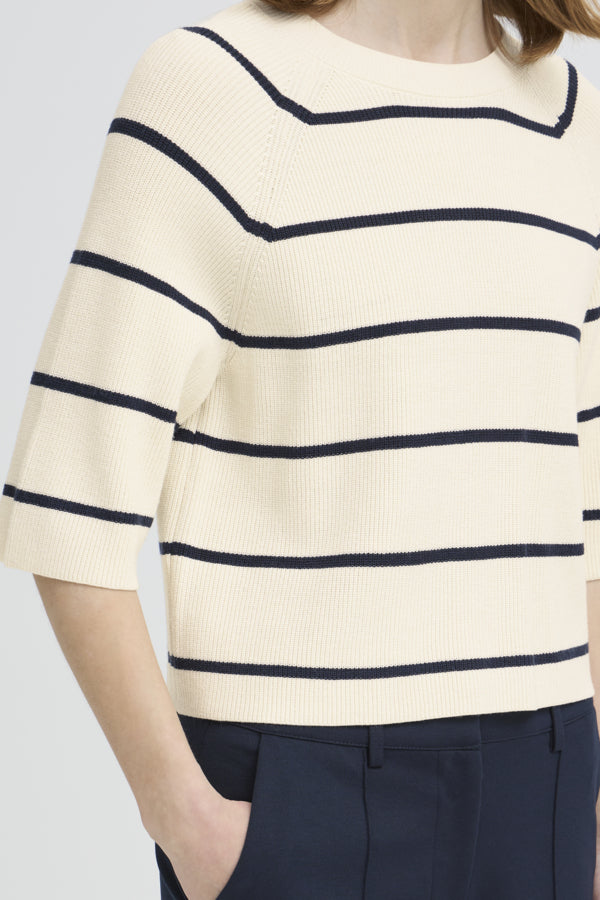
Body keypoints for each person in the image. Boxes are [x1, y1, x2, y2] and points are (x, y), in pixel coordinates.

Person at [2, 0, 600, 896]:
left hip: (548, 781)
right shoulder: (220, 89)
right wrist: (189, 827)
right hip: (301, 788)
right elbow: (65, 505)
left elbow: (586, 510)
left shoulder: (569, 122)